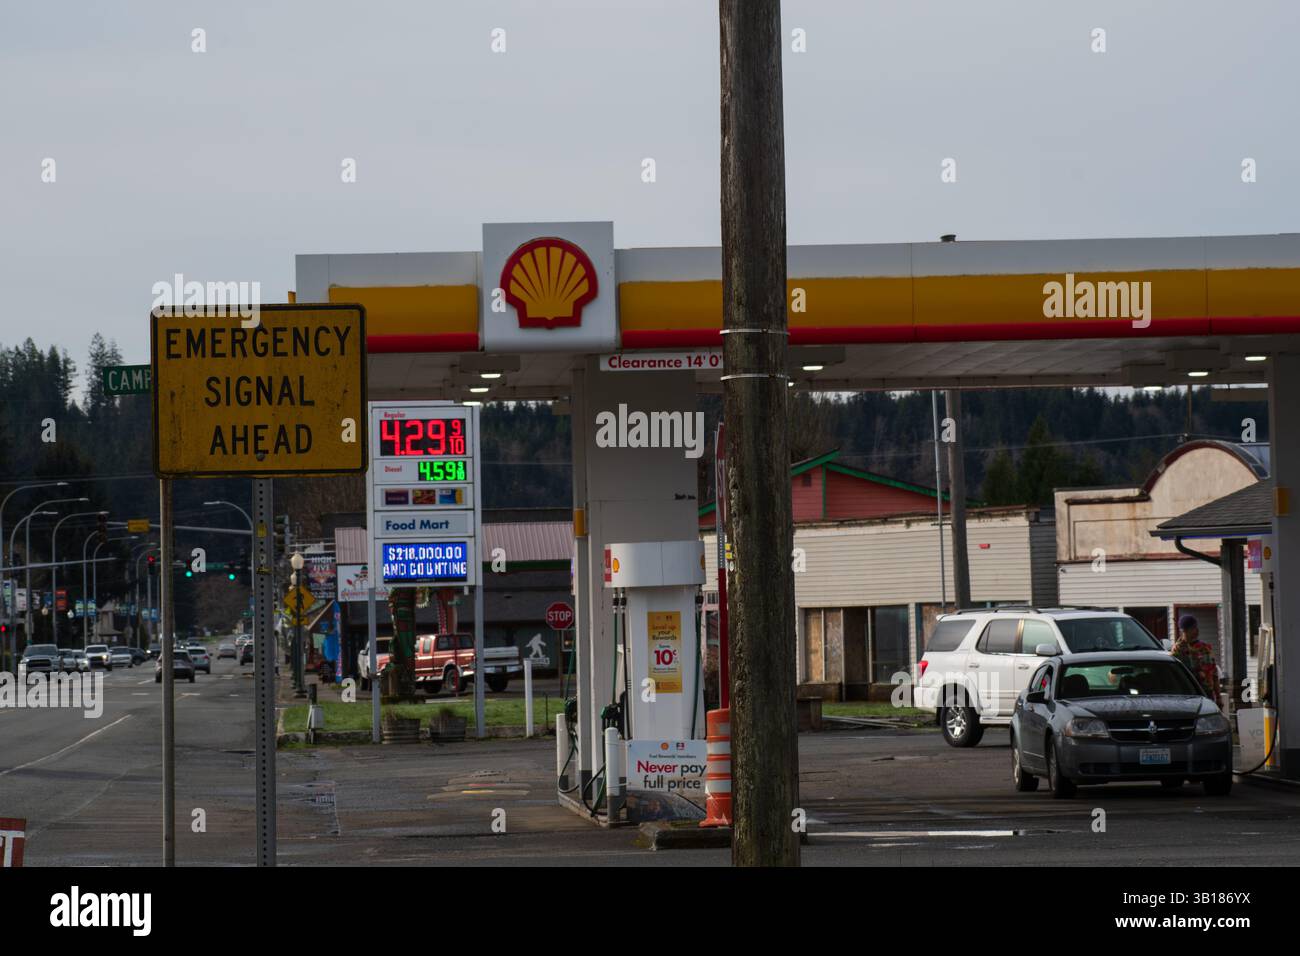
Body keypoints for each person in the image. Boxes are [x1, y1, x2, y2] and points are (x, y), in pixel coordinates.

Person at [1171, 614, 1220, 702]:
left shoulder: (1205, 648)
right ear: (1184, 630)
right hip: (1190, 694)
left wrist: (1218, 697)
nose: (1197, 630)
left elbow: (1214, 674)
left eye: (1196, 627)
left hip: (1208, 693)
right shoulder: (1177, 651)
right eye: (1193, 628)